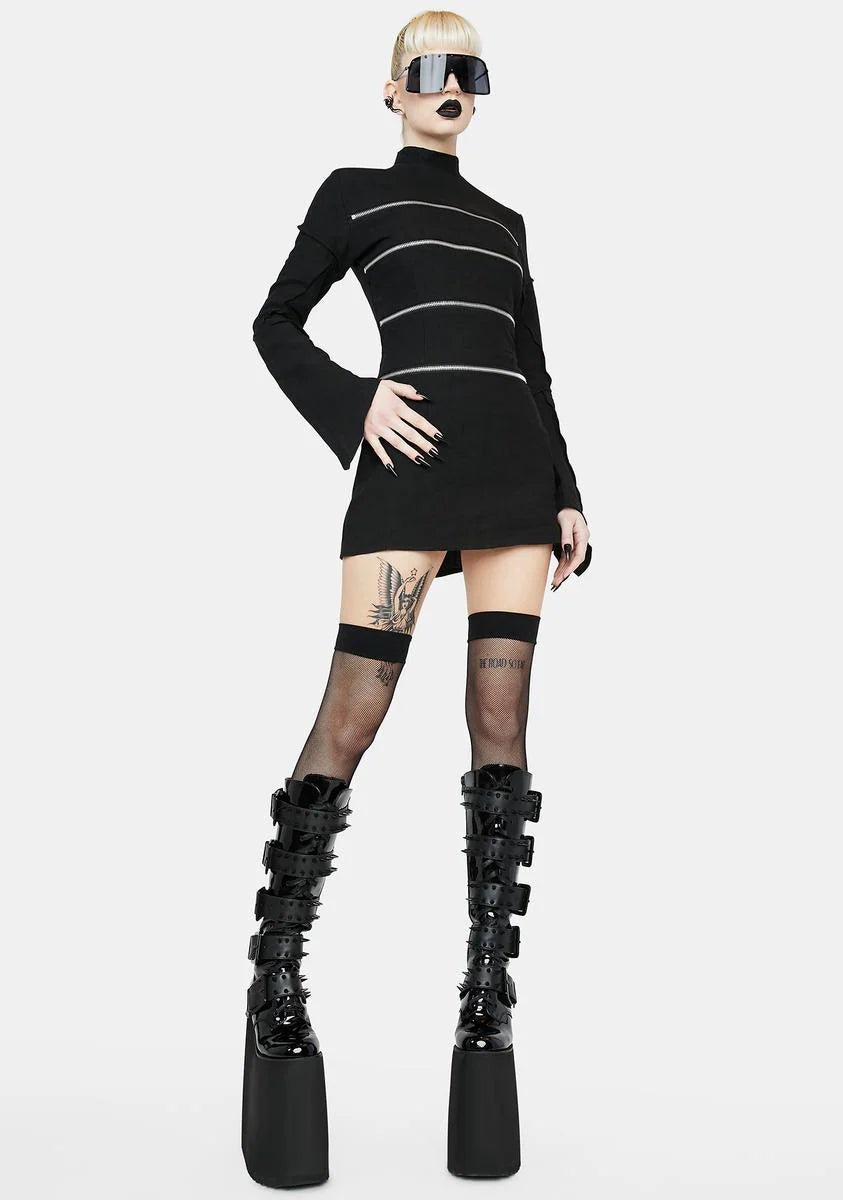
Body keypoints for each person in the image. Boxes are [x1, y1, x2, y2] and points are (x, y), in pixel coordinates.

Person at [241, 10, 592, 1187]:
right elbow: (273, 322)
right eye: (431, 70)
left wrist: (567, 491)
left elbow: (531, 366)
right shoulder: (354, 193)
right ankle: (275, 979)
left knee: (502, 727)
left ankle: (486, 997)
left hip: (513, 483)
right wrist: (355, 405)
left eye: (470, 70)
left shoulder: (505, 221)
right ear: (391, 90)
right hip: (409, 473)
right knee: (353, 714)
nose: (453, 87)